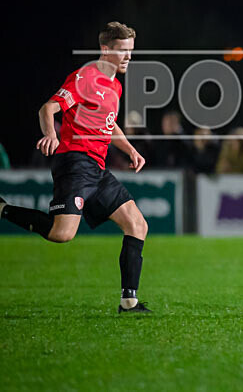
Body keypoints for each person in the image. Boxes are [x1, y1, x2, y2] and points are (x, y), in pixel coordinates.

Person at [0, 22, 151, 313]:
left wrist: (130, 149)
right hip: (75, 162)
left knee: (137, 224)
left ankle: (129, 302)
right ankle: (3, 209)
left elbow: (107, 124)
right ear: (106, 50)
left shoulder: (114, 85)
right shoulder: (86, 77)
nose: (128, 57)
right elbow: (48, 108)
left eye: (131, 51)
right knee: (62, 234)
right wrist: (50, 134)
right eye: (123, 51)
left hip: (97, 167)